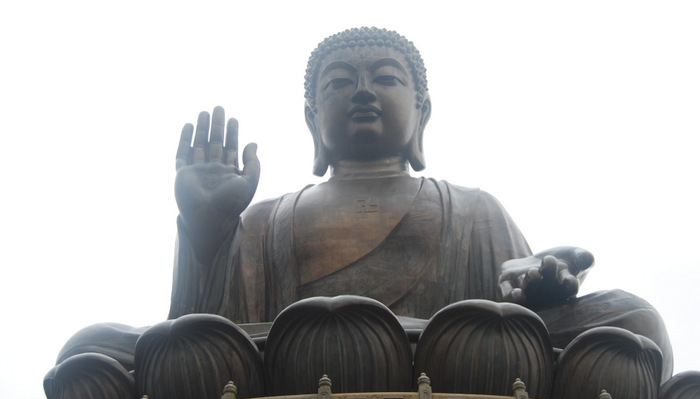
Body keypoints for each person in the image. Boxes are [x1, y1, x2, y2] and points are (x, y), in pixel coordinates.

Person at [168, 27, 672, 380]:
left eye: (385, 78)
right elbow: (199, 329)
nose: (363, 91)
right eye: (340, 83)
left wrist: (534, 285)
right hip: (293, 360)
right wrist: (206, 230)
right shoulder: (263, 220)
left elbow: (518, 313)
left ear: (422, 111)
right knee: (93, 346)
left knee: (635, 321)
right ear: (311, 118)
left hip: (456, 357)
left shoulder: (473, 209)